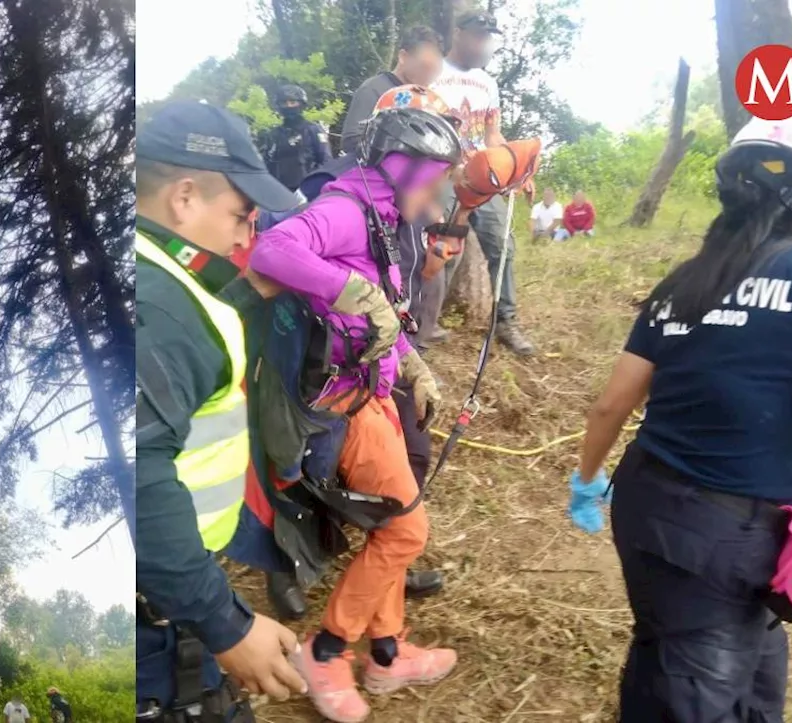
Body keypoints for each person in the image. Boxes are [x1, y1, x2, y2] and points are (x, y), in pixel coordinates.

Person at [568, 110, 792, 722]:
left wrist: (586, 481)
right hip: (725, 532)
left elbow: (612, 402)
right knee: (694, 690)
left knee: (718, 655)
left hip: (646, 501)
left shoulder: (684, 281)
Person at [247, 106, 460, 723]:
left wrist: (416, 369)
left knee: (397, 521)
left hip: (373, 394)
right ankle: (327, 649)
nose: (440, 192)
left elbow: (380, 311)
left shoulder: (385, 220)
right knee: (404, 530)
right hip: (340, 405)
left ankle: (388, 655)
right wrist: (350, 292)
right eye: (435, 177)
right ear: (403, 168)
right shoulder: (343, 210)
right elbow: (273, 250)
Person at [134, 100, 308, 722]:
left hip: (169, 587)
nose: (245, 236)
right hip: (152, 619)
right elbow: (139, 473)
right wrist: (224, 623)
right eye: (240, 215)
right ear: (185, 197)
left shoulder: (157, 278)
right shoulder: (157, 308)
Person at [423, 10, 536, 356]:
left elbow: (492, 132)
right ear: (458, 33)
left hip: (483, 177)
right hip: (442, 174)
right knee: (441, 250)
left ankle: (505, 321)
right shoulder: (434, 73)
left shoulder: (488, 83)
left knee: (502, 244)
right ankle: (424, 322)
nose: (482, 43)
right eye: (476, 36)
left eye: (487, 38)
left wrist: (515, 170)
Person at [340, 25, 445, 157]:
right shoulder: (374, 89)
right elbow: (352, 140)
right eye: (424, 67)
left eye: (434, 70)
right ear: (403, 57)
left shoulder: (428, 102)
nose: (429, 76)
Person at [258, 85, 331, 191]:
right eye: (284, 103)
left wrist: (315, 186)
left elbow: (326, 161)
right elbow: (266, 163)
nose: (288, 106)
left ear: (301, 104)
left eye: (293, 102)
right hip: (280, 192)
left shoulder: (313, 130)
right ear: (279, 106)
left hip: (308, 190)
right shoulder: (273, 134)